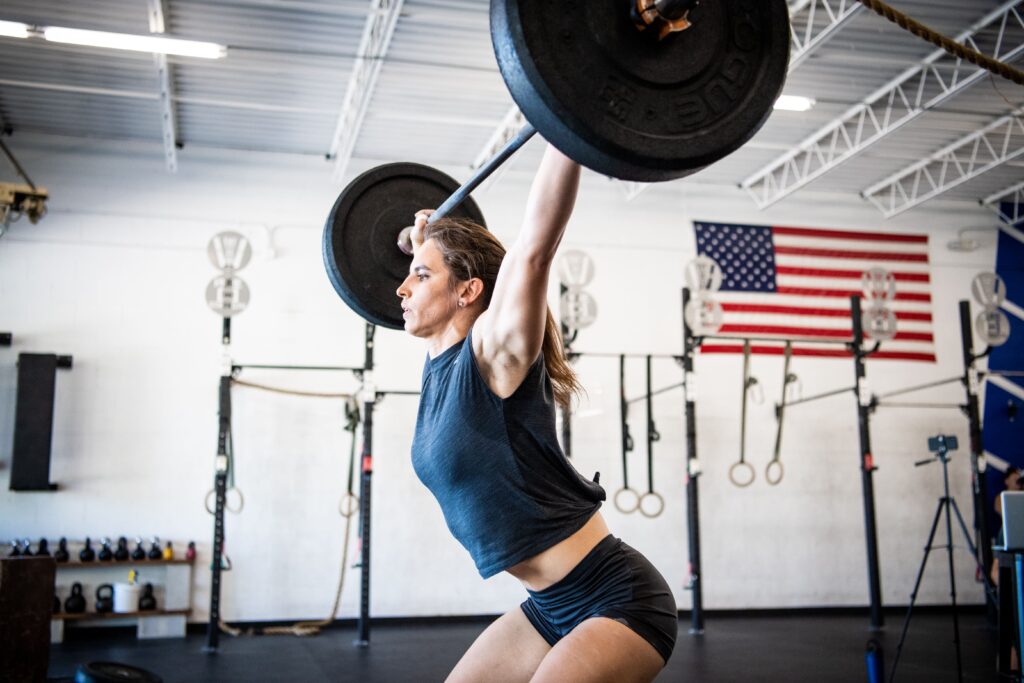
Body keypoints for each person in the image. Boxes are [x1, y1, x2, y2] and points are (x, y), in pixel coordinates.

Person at [396, 143, 677, 683]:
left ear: (470, 291)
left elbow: (532, 250)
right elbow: (430, 275)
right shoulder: (439, 370)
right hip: (546, 607)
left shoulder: (495, 355)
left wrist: (566, 127)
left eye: (420, 276)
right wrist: (428, 242)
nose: (401, 288)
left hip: (616, 598)